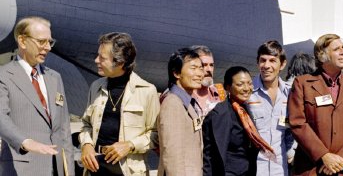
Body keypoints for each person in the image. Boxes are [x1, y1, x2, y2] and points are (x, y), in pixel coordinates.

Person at [0, 16, 74, 175]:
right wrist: (24, 142)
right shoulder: (4, 75)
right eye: (42, 42)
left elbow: (64, 128)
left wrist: (69, 170)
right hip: (22, 168)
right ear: (22, 41)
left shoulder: (55, 77)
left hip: (57, 169)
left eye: (50, 42)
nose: (48, 48)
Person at [289, 34, 343, 176]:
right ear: (322, 56)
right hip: (312, 168)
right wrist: (324, 156)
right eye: (337, 49)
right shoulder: (303, 84)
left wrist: (340, 160)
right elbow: (298, 123)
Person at [79, 32, 160, 175]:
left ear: (120, 62)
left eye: (102, 58)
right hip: (95, 168)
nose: (96, 60)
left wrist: (129, 146)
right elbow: (86, 124)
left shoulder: (147, 91)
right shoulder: (95, 86)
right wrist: (86, 144)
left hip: (129, 171)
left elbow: (155, 134)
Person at [203, 66, 272, 176]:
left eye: (249, 83)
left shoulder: (245, 110)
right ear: (228, 87)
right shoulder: (220, 114)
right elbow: (210, 155)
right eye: (240, 84)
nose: (246, 88)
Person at [247, 40, 294, 175]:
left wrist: (291, 153)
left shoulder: (290, 94)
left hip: (280, 169)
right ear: (258, 62)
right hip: (254, 169)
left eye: (272, 61)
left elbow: (294, 128)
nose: (266, 66)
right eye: (263, 60)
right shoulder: (247, 91)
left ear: (282, 64)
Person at [158, 48, 204, 176]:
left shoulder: (187, 102)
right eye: (193, 68)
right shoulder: (173, 103)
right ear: (177, 73)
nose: (200, 73)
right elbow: (172, 154)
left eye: (200, 68)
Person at [191, 45, 223, 116]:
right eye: (204, 65)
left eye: (211, 65)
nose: (209, 70)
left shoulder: (220, 94)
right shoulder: (183, 96)